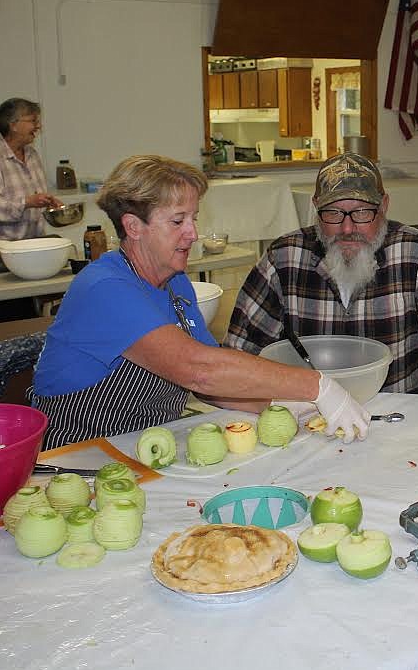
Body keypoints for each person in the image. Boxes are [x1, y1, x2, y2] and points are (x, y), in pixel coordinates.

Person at [31, 155, 370, 450]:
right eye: (178, 221)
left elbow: (215, 389)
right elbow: (200, 371)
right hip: (81, 458)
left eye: (193, 218)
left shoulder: (176, 285)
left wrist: (281, 405)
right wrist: (316, 386)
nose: (193, 233)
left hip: (147, 447)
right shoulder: (103, 288)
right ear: (133, 226)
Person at [224, 152, 418, 402]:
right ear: (316, 207)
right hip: (308, 415)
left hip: (399, 415)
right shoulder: (284, 257)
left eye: (361, 212)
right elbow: (239, 354)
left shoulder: (417, 255)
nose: (347, 228)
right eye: (333, 213)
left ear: (383, 206)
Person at [0, 98, 63, 322]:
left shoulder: (32, 155)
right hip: (0, 250)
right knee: (13, 310)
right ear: (13, 124)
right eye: (32, 121)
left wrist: (49, 203)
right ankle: (6, 351)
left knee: (24, 309)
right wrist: (27, 202)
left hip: (27, 248)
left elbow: (34, 197)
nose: (37, 127)